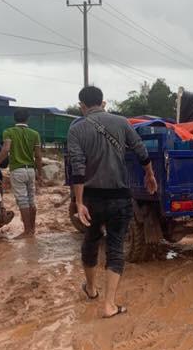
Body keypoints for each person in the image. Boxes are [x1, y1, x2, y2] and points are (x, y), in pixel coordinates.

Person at [67, 85, 157, 318]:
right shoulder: (121, 122)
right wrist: (150, 175)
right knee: (116, 245)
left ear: (82, 106)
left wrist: (79, 202)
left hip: (92, 198)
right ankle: (109, 305)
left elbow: (77, 168)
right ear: (103, 102)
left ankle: (90, 289)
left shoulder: (77, 129)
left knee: (91, 239)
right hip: (119, 197)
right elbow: (140, 150)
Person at [0, 108, 42, 239]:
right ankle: (32, 229)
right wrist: (39, 173)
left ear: (14, 119)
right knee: (31, 200)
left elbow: (6, 149)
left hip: (17, 170)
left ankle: (27, 231)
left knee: (23, 201)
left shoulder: (9, 132)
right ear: (27, 119)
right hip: (30, 170)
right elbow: (38, 156)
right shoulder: (35, 134)